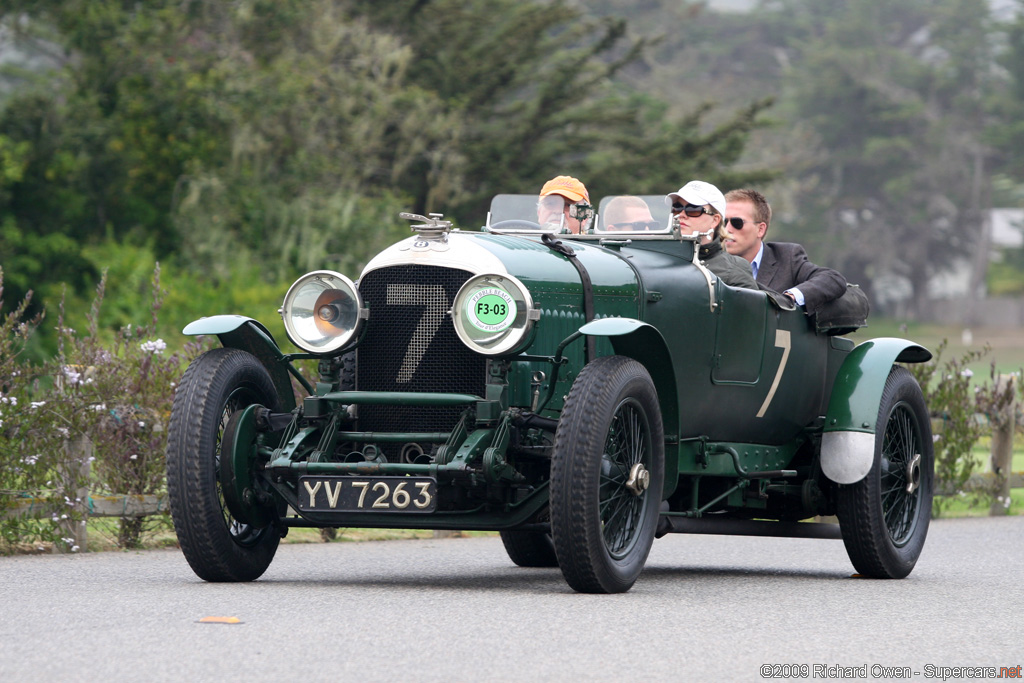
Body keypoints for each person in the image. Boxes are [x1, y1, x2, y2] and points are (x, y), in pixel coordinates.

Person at [722, 188, 846, 312]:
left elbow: (832, 278)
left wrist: (789, 298)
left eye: (736, 222)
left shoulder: (786, 257)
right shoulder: (709, 263)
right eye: (723, 222)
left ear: (760, 229)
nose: (727, 229)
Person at [665, 181, 757, 290]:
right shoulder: (658, 257)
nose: (681, 215)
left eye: (693, 209)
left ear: (715, 220)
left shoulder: (733, 270)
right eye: (677, 208)